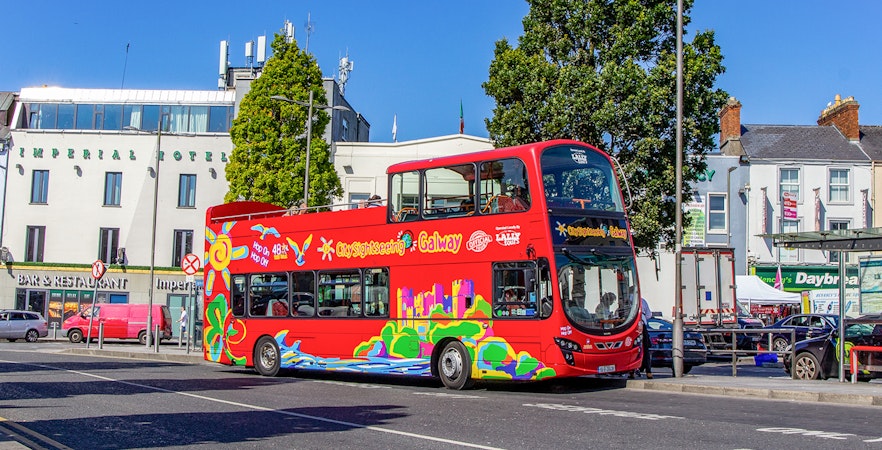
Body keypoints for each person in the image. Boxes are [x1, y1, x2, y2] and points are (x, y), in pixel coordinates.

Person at [640, 298, 653, 379]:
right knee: (645, 349)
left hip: (631, 324)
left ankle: (632, 372)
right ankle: (648, 371)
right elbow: (649, 315)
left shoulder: (627, 300)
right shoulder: (642, 300)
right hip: (642, 324)